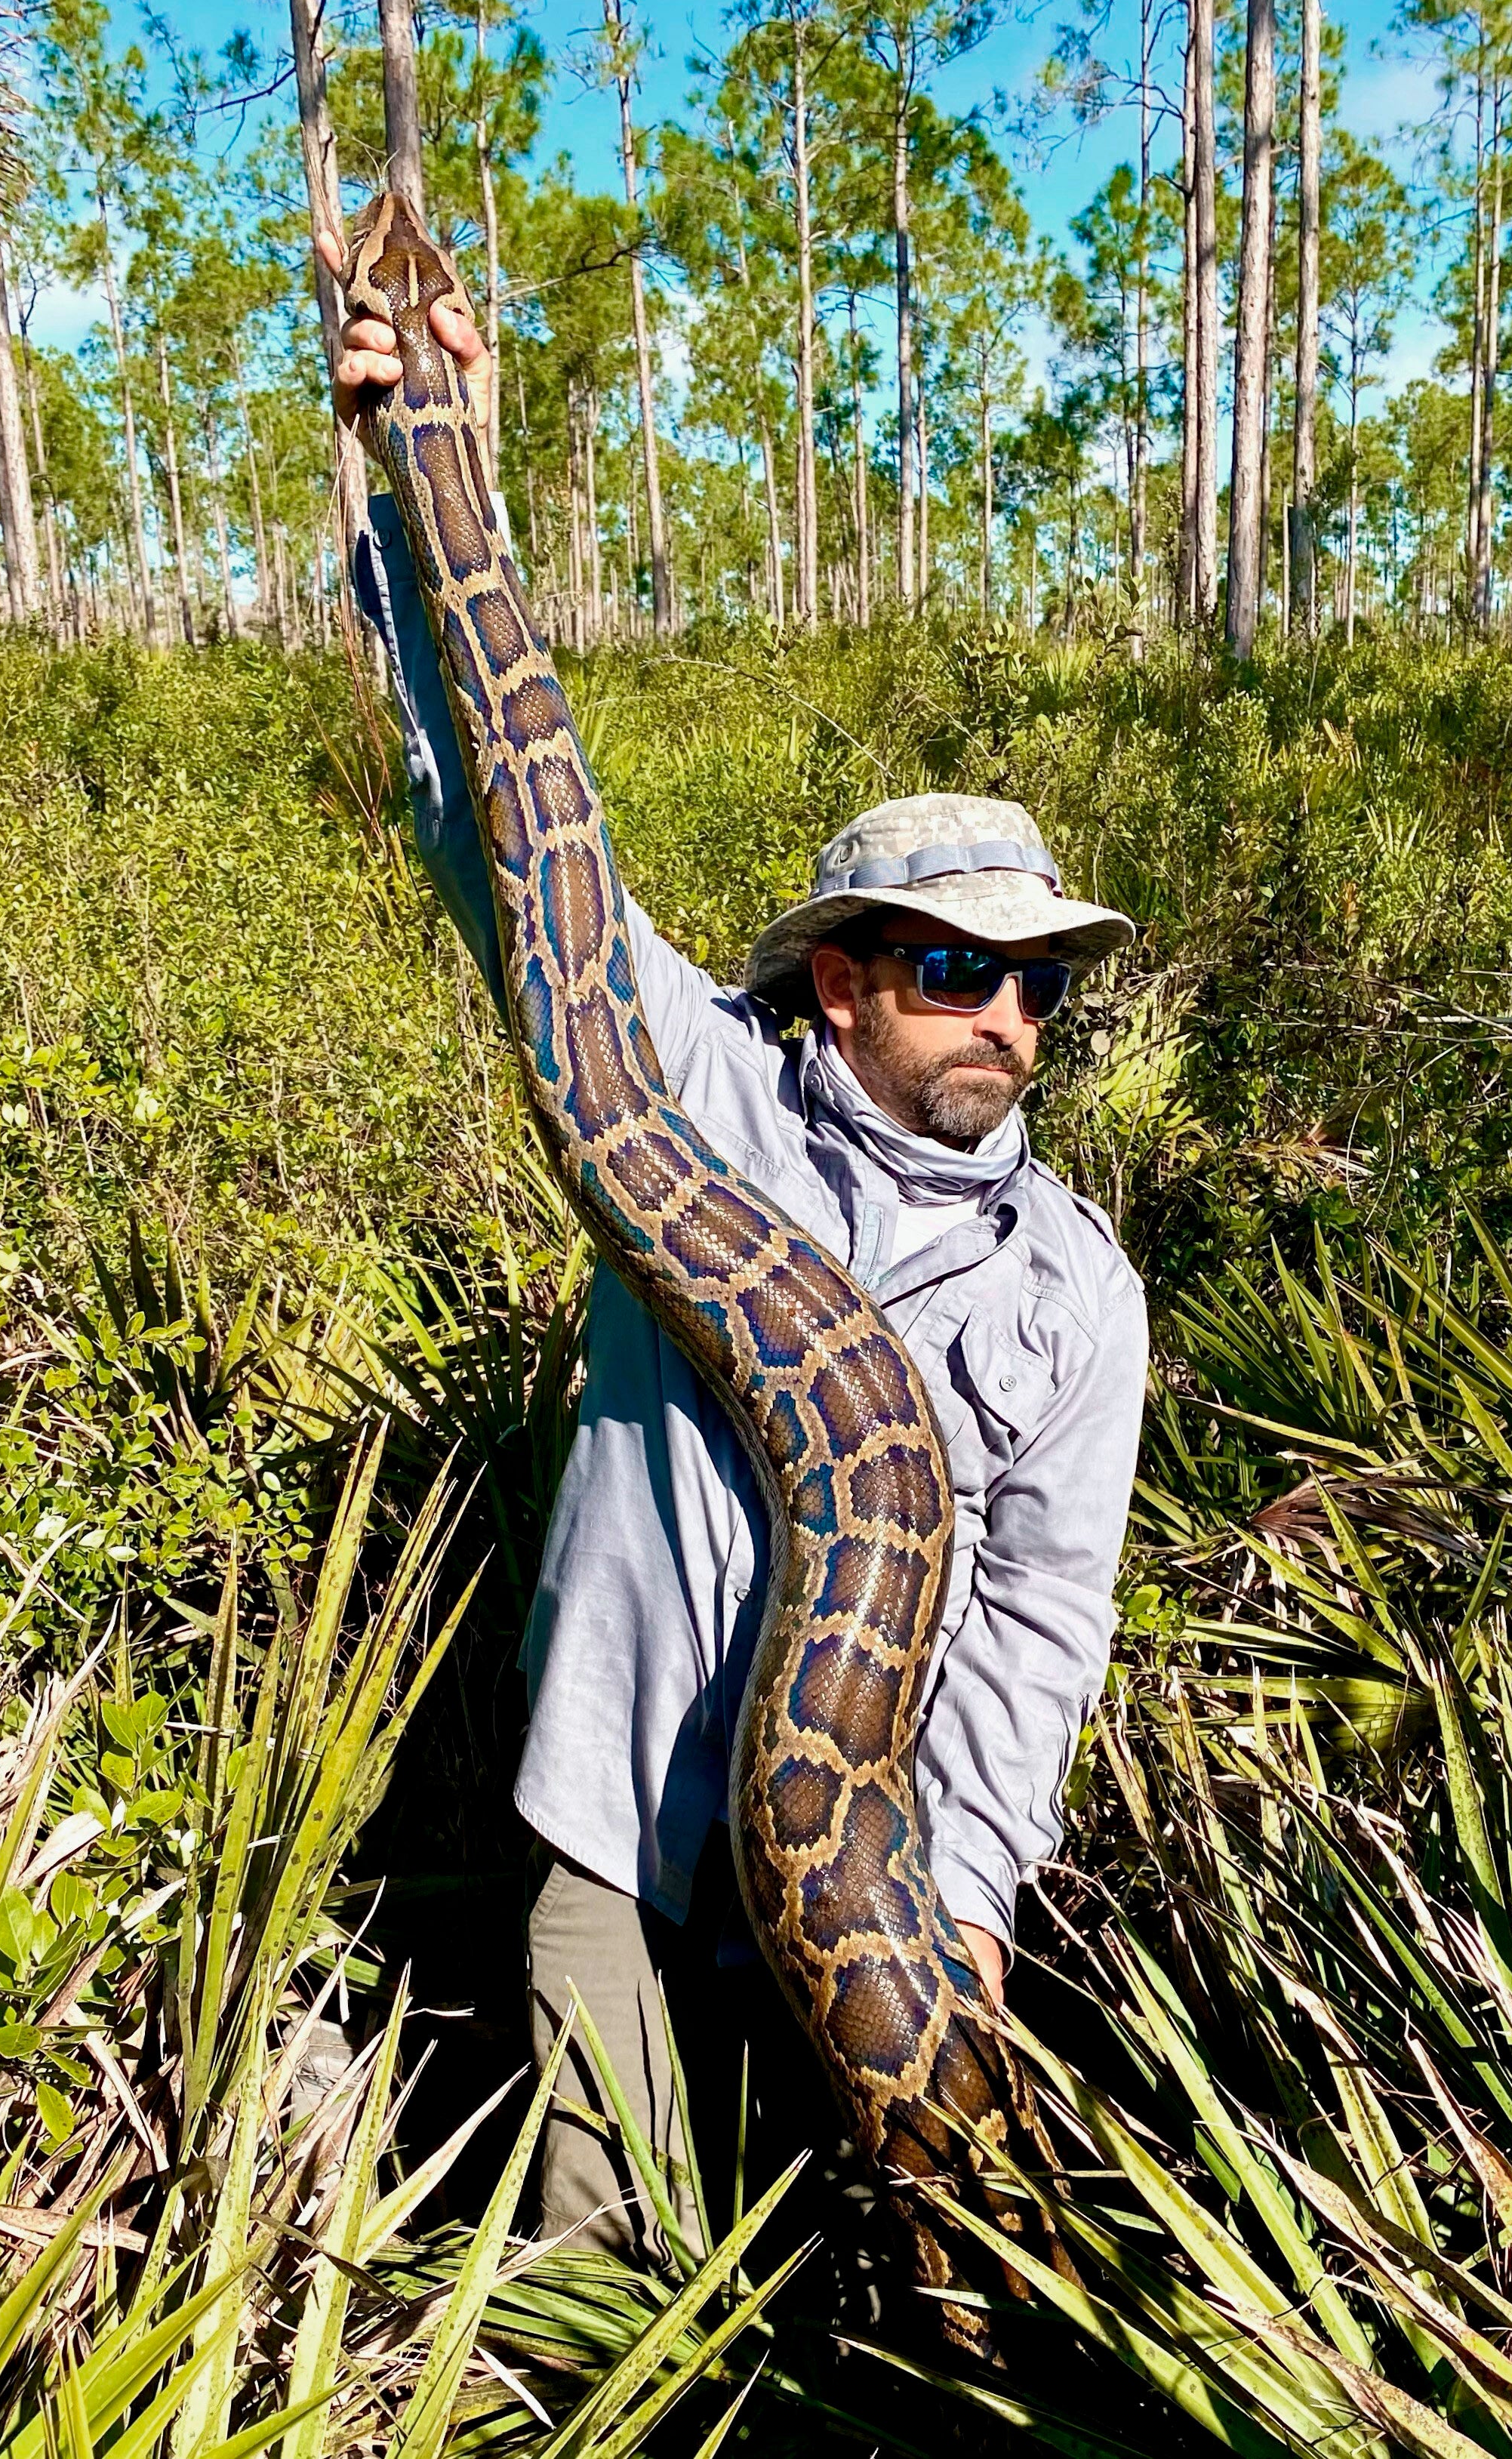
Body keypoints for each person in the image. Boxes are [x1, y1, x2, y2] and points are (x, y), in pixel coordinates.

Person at [325, 247, 1149, 2264]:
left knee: (883, 2299)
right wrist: (434, 475)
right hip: (618, 1818)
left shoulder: (1074, 1292)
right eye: (959, 969)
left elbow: (1037, 1629)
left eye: (1037, 984)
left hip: (877, 1883)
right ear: (846, 979)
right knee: (610, 2277)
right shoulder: (691, 1085)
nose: (1009, 1019)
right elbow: (504, 813)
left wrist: (948, 1911)